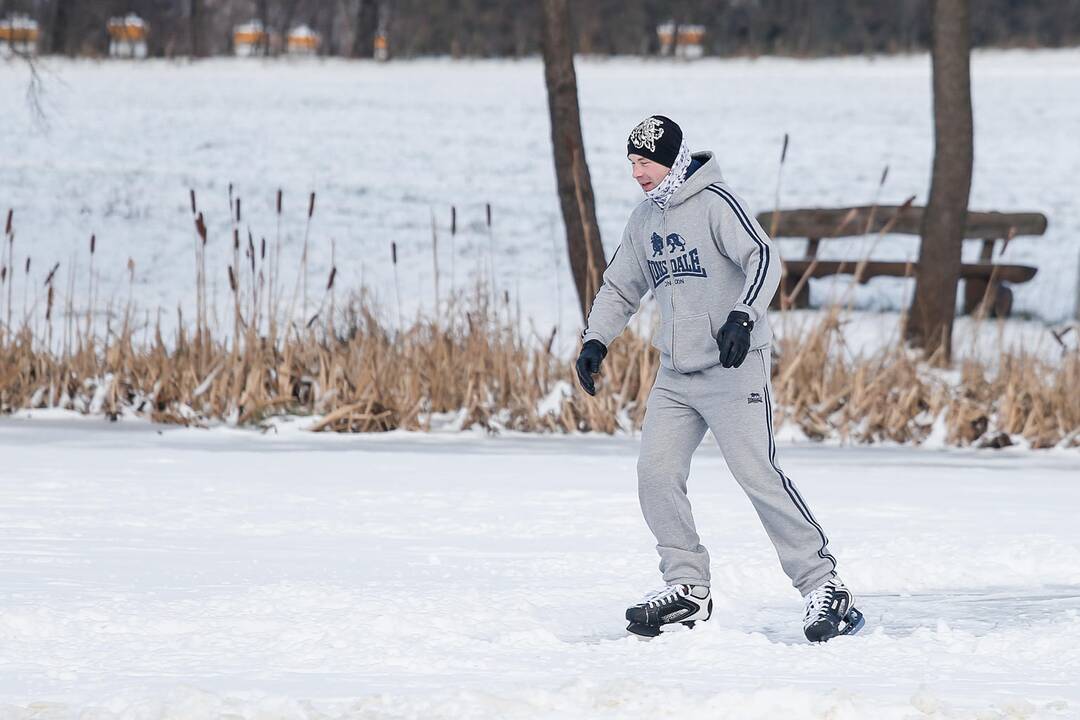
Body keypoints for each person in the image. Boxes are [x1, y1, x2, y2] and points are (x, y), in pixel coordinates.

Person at [575, 115, 863, 642]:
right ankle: (688, 589)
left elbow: (763, 258)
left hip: (733, 367)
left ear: (671, 160)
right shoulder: (644, 220)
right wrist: (596, 339)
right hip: (676, 376)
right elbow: (620, 286)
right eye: (632, 164)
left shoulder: (716, 204)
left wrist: (743, 316)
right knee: (655, 476)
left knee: (758, 475)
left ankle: (825, 586)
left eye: (646, 163)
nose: (637, 173)